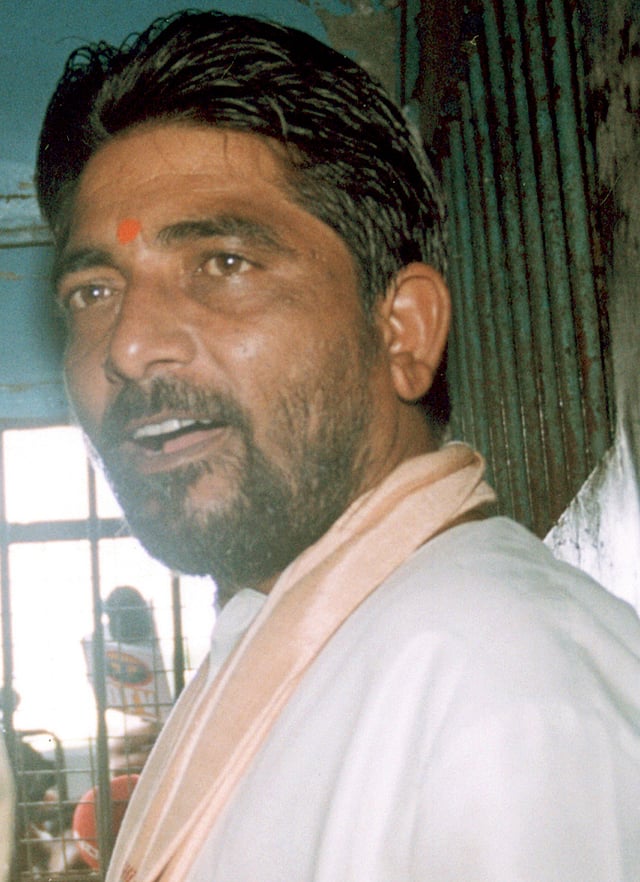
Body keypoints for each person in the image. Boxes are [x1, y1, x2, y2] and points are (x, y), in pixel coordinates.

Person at [36, 10, 640, 881]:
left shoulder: (506, 692)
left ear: (403, 330)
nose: (128, 346)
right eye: (95, 290)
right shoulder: (285, 642)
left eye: (224, 264)